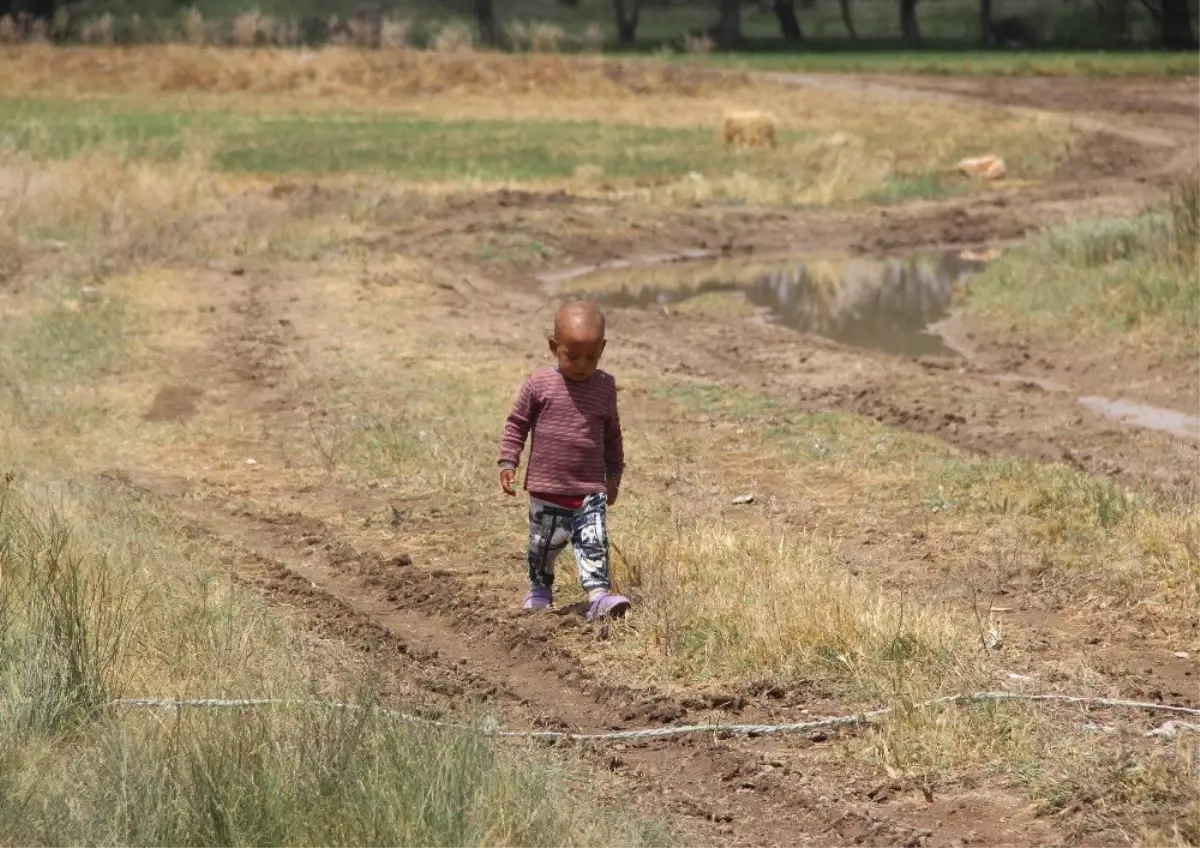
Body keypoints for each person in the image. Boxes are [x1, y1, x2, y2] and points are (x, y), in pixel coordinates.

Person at [498, 300, 631, 621]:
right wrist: (508, 460)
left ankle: (599, 597)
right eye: (572, 356)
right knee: (544, 548)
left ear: (603, 348)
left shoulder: (604, 387)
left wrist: (614, 475)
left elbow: (612, 435)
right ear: (554, 347)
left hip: (590, 489)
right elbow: (517, 423)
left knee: (594, 544)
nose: (583, 365)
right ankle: (540, 591)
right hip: (547, 490)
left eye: (592, 357)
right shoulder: (539, 385)